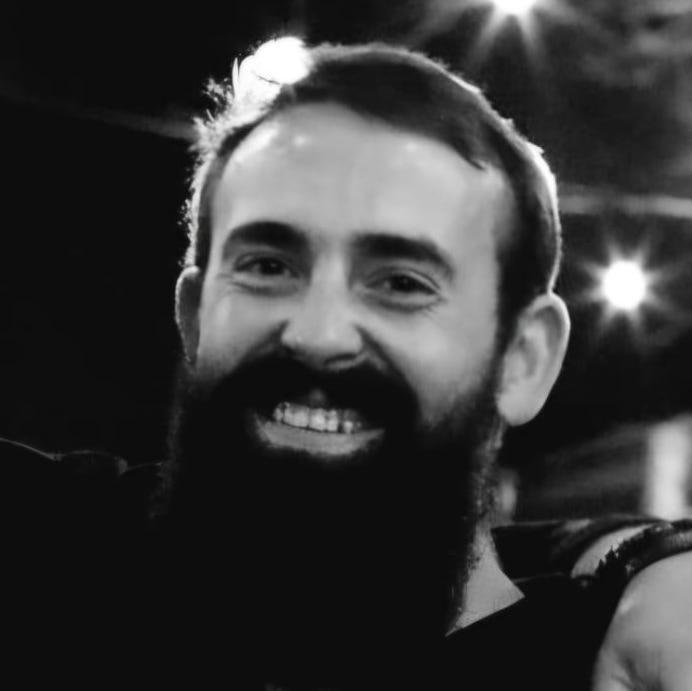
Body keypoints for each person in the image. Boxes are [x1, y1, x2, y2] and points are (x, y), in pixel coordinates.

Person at [2, 38, 690, 690]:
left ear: (523, 358)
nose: (318, 334)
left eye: (401, 282)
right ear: (195, 316)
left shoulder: (605, 668)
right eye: (268, 266)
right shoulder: (55, 563)